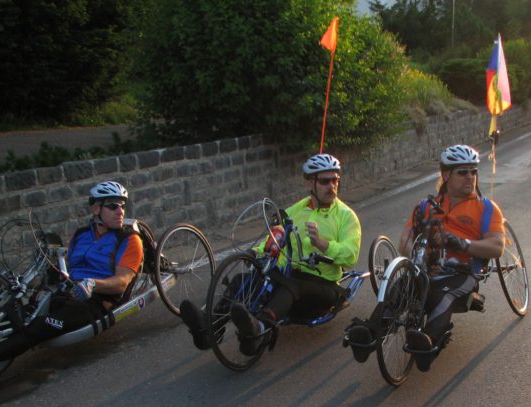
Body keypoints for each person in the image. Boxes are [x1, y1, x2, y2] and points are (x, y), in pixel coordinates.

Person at [179, 153, 361, 354]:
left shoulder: (346, 216)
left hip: (325, 288)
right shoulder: (295, 211)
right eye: (325, 181)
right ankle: (210, 327)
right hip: (290, 275)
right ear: (310, 183)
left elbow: (351, 256)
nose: (332, 186)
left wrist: (323, 244)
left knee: (290, 284)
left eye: (335, 180)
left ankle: (260, 328)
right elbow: (276, 237)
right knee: (244, 280)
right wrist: (257, 252)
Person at [345, 144, 505, 372]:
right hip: (426, 269)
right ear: (446, 174)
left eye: (473, 171)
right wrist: (422, 258)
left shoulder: (487, 208)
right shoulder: (426, 207)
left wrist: (460, 243)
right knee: (400, 288)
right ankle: (369, 335)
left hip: (462, 272)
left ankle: (427, 342)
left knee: (445, 296)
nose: (470, 177)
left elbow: (496, 246)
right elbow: (404, 242)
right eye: (463, 172)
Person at [0, 181, 144, 364]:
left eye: (122, 206)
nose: (120, 211)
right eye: (112, 206)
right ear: (95, 209)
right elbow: (67, 268)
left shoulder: (130, 240)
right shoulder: (81, 234)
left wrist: (93, 284)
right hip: (67, 291)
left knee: (39, 326)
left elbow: (121, 282)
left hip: (96, 300)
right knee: (15, 311)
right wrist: (31, 281)